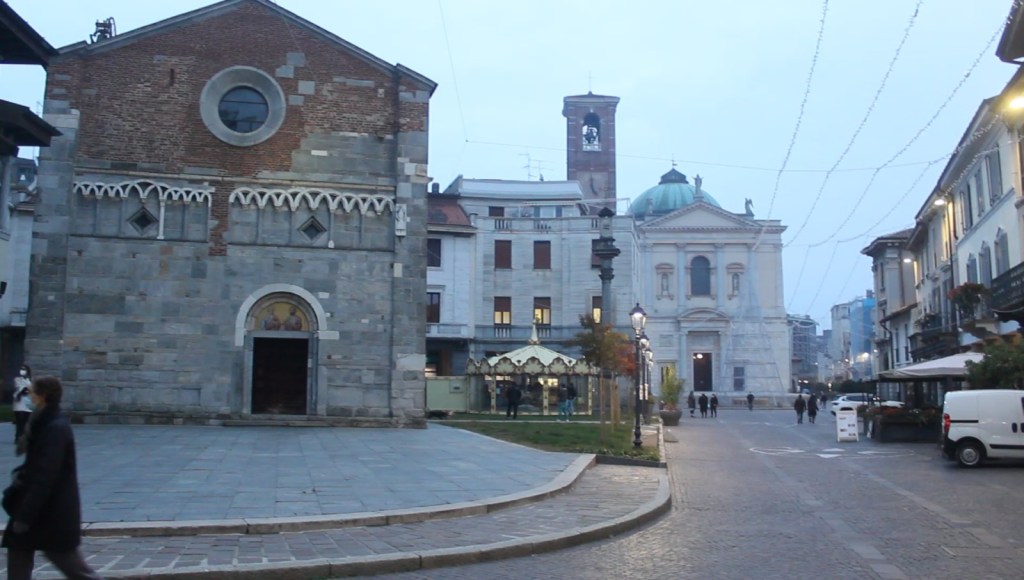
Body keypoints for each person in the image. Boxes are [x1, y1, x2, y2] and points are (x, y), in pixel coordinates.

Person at [3, 376, 103, 580]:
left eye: (32, 392)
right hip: (35, 510)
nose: (29, 396)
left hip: (49, 512)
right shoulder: (42, 422)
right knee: (18, 554)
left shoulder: (55, 428)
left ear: (43, 396)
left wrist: (24, 515)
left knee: (74, 568)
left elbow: (45, 475)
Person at [11, 366, 32, 445]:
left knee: (26, 423)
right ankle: (18, 437)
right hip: (19, 405)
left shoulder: (30, 380)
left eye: (24, 369)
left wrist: (27, 390)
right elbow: (19, 389)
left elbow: (30, 390)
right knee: (20, 422)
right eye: (21, 369)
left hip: (28, 405)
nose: (22, 371)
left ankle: (24, 438)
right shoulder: (17, 379)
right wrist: (24, 390)